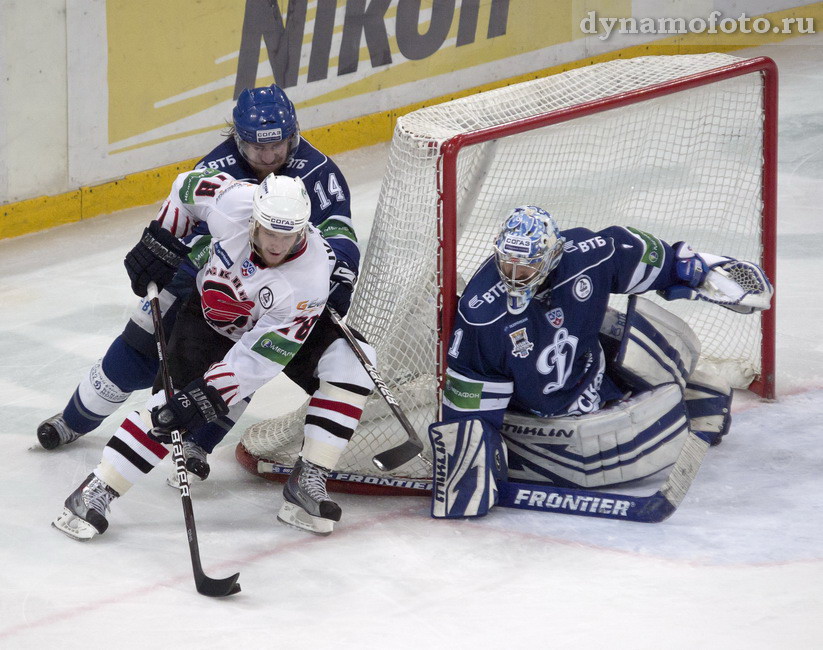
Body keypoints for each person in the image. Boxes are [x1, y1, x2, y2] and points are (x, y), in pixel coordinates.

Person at [37, 84, 360, 482]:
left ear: (293, 134)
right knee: (140, 350)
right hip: (202, 278)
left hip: (266, 296)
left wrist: (339, 273)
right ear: (238, 138)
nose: (270, 157)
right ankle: (74, 420)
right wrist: (161, 244)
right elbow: (186, 208)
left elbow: (338, 233)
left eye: (279, 145)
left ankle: (195, 444)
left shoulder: (317, 172)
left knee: (238, 367)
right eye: (258, 148)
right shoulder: (219, 165)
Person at [53, 172, 376, 540]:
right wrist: (163, 239)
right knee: (168, 408)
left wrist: (208, 395)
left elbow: (257, 359)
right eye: (270, 232)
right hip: (206, 319)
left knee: (353, 359)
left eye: (288, 236)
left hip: (265, 335)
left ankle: (310, 478)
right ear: (254, 219)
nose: (277, 245)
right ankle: (96, 490)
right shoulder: (233, 200)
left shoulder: (309, 278)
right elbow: (184, 188)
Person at [428, 205, 773, 518]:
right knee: (622, 446)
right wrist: (468, 460)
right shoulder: (482, 314)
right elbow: (471, 398)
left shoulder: (590, 254)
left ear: (553, 255)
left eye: (527, 264)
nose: (515, 274)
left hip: (592, 372)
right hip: (542, 417)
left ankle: (680, 400)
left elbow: (658, 259)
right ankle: (683, 405)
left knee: (653, 336)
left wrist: (702, 272)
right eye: (508, 263)